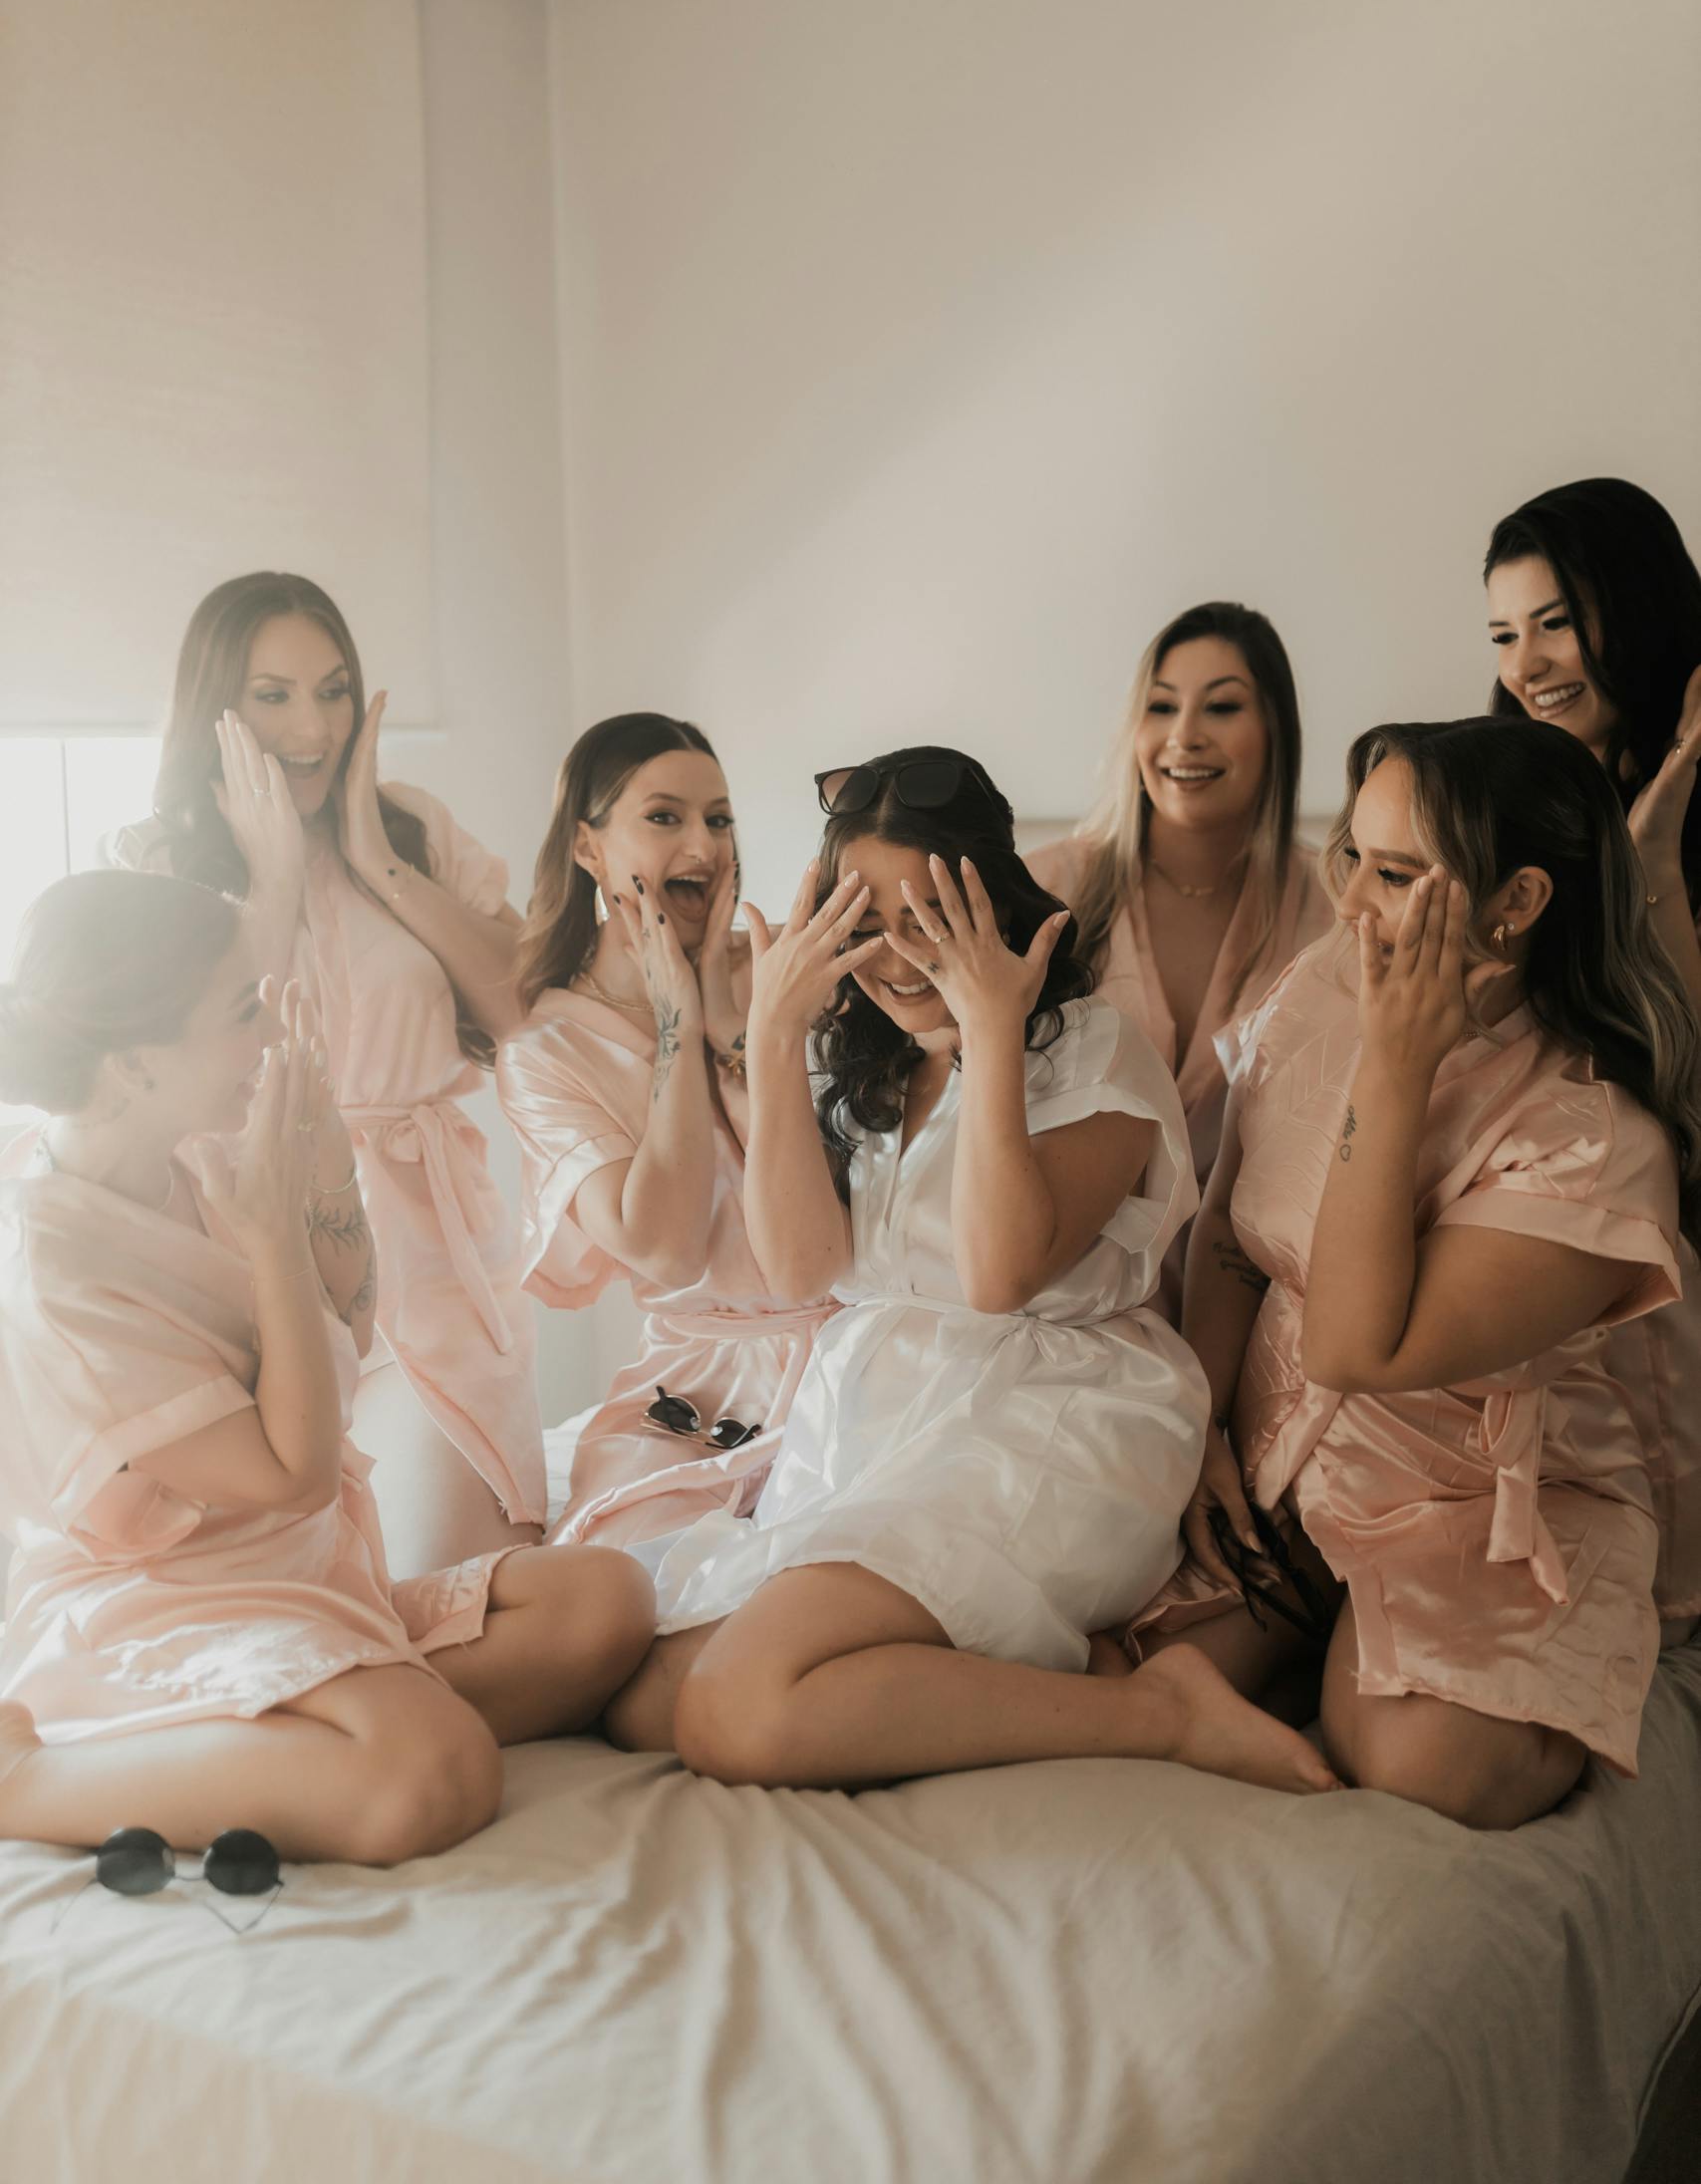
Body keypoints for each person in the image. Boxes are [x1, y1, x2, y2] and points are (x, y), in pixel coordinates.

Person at [603, 746, 1337, 1797]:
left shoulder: (1093, 1052)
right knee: (648, 1700)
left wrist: (992, 1033)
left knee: (734, 1708)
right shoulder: (864, 1060)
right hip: (876, 1415)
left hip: (1049, 1412)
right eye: (866, 925)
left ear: (988, 903)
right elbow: (804, 1264)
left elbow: (998, 1278)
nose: (898, 961)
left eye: (928, 922)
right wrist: (773, 1033)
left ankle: (1155, 1711)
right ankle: (1066, 1671)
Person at [0, 872, 652, 1862]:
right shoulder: (56, 1265)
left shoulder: (199, 1149)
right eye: (239, 1009)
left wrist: (327, 1166)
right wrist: (270, 1235)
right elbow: (293, 1471)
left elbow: (346, 1327)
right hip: (166, 1602)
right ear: (134, 1063)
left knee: (604, 1602)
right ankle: (28, 1776)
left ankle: (313, 1716)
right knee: (432, 1774)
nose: (267, 1033)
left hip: (300, 1573)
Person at [1158, 718, 1699, 1827]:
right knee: (1090, 1642)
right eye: (1350, 856)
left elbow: (1360, 1351)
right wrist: (1203, 1432)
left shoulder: (1591, 1139)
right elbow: (1225, 1236)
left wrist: (1394, 1072)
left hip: (1475, 1504)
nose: (1350, 904)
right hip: (1276, 1465)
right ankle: (1306, 1613)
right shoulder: (1323, 979)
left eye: (1396, 873)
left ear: (1519, 902)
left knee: (1421, 1766)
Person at [105, 572, 543, 1571]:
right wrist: (272, 878)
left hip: (432, 1258)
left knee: (471, 1576)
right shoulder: (156, 862)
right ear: (217, 705)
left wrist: (375, 857)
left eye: (334, 689)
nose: (314, 725)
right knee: (322, 1578)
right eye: (274, 694)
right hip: (255, 1257)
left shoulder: (413, 828)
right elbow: (215, 1060)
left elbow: (523, 1013)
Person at [498, 714, 828, 1547]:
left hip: (851, 1350)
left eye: (718, 819)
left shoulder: (794, 970)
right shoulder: (545, 1051)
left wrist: (730, 1018)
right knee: (622, 1579)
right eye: (663, 817)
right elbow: (667, 1247)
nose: (704, 846)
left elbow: (853, 1186)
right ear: (587, 848)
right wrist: (679, 1022)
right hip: (698, 1379)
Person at [1485, 478, 1701, 1631]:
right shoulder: (1501, 807)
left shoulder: (1674, 810)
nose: (1529, 662)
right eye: (1504, 632)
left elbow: (1680, 1079)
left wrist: (1655, 840)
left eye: (1555, 620)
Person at [1029, 603, 1330, 1316]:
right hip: (1063, 1299)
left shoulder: (1339, 909)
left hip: (1261, 1309)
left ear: (1276, 732)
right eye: (1160, 707)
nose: (1184, 737)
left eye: (1221, 706)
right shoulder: (1043, 893)